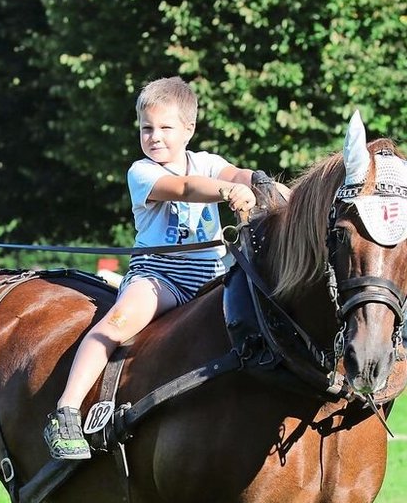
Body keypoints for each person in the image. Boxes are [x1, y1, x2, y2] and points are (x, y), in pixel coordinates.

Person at [44, 76, 283, 460]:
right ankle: (67, 410)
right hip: (159, 277)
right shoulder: (141, 172)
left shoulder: (208, 162)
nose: (155, 137)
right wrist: (226, 192)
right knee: (117, 323)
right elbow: (186, 188)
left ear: (188, 129)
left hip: (210, 278)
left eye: (165, 128)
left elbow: (236, 174)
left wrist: (260, 184)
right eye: (146, 128)